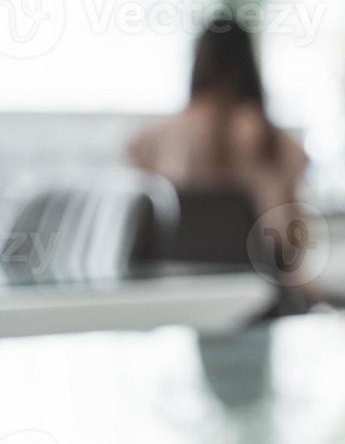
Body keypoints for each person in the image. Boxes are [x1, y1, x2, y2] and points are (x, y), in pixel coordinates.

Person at [128, 18, 310, 272]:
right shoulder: (278, 144)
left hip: (177, 293)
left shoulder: (151, 141)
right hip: (261, 294)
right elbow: (292, 245)